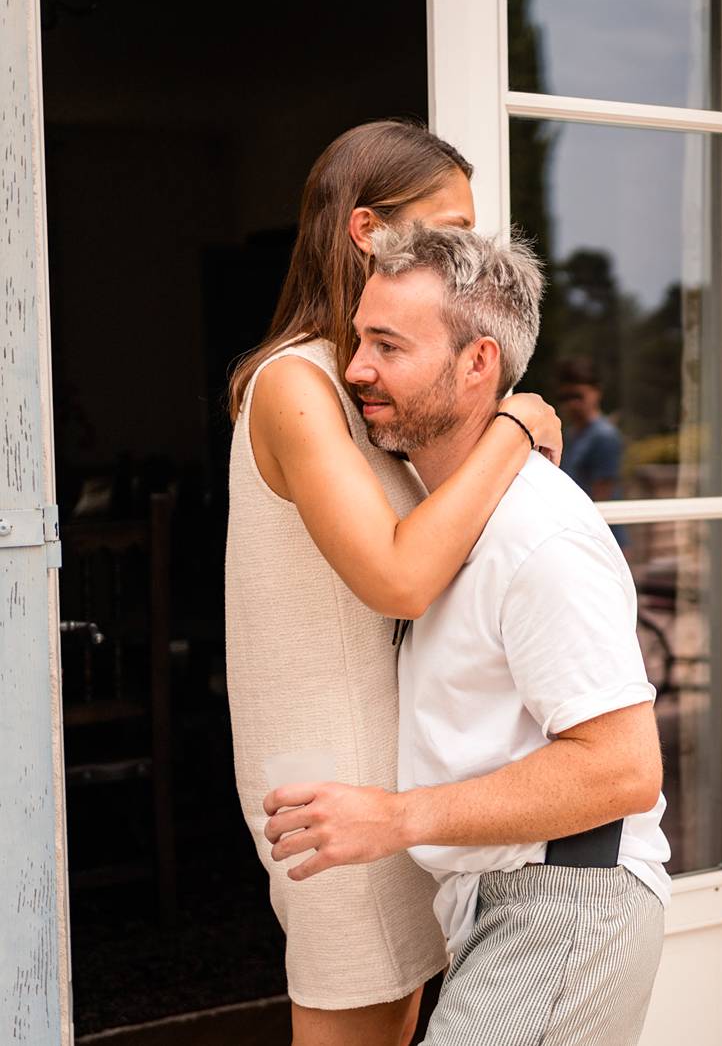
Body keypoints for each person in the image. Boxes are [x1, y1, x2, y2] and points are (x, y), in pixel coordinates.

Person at [261, 223, 669, 1046]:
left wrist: (399, 818)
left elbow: (623, 768)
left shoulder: (541, 535)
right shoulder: (447, 522)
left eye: (387, 345)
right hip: (506, 904)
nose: (355, 370)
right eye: (358, 340)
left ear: (478, 363)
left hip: (562, 906)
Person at [225, 120, 563, 1046]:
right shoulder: (294, 386)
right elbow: (401, 577)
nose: (469, 253)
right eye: (446, 229)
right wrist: (515, 430)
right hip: (332, 787)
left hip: (400, 775)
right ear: (367, 230)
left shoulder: (369, 385)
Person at [556, 356, 625, 502]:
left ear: (596, 392)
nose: (572, 404)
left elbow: (602, 496)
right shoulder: (569, 434)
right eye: (565, 397)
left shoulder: (605, 436)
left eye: (578, 396)